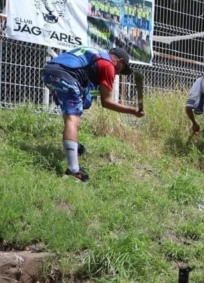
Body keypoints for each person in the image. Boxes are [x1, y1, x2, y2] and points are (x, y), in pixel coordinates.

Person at [42, 47, 143, 183]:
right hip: (67, 76)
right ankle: (73, 171)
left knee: (71, 114)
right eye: (122, 69)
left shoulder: (95, 54)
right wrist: (133, 111)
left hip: (49, 72)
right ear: (120, 61)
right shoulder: (109, 66)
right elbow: (106, 102)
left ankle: (74, 146)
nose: (118, 74)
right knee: (72, 120)